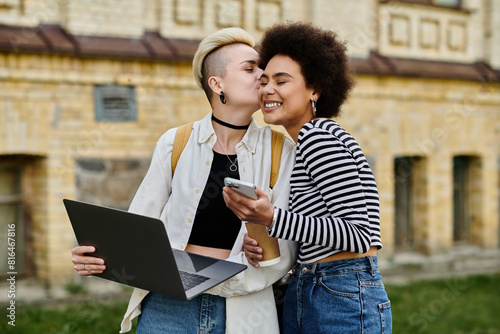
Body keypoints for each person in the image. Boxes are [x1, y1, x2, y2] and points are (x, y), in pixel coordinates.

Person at [71, 27, 298, 334]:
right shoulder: (174, 142)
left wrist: (265, 247)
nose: (262, 76)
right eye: (250, 68)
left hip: (246, 311)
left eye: (262, 68)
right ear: (217, 84)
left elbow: (284, 250)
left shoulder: (281, 151)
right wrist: (99, 256)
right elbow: (139, 224)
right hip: (169, 308)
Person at [223, 22, 392, 333]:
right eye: (263, 80)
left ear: (314, 88)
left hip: (339, 292)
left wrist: (272, 217)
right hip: (316, 287)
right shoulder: (303, 142)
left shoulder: (318, 136)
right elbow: (319, 230)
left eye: (281, 80)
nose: (267, 90)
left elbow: (357, 235)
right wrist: (264, 240)